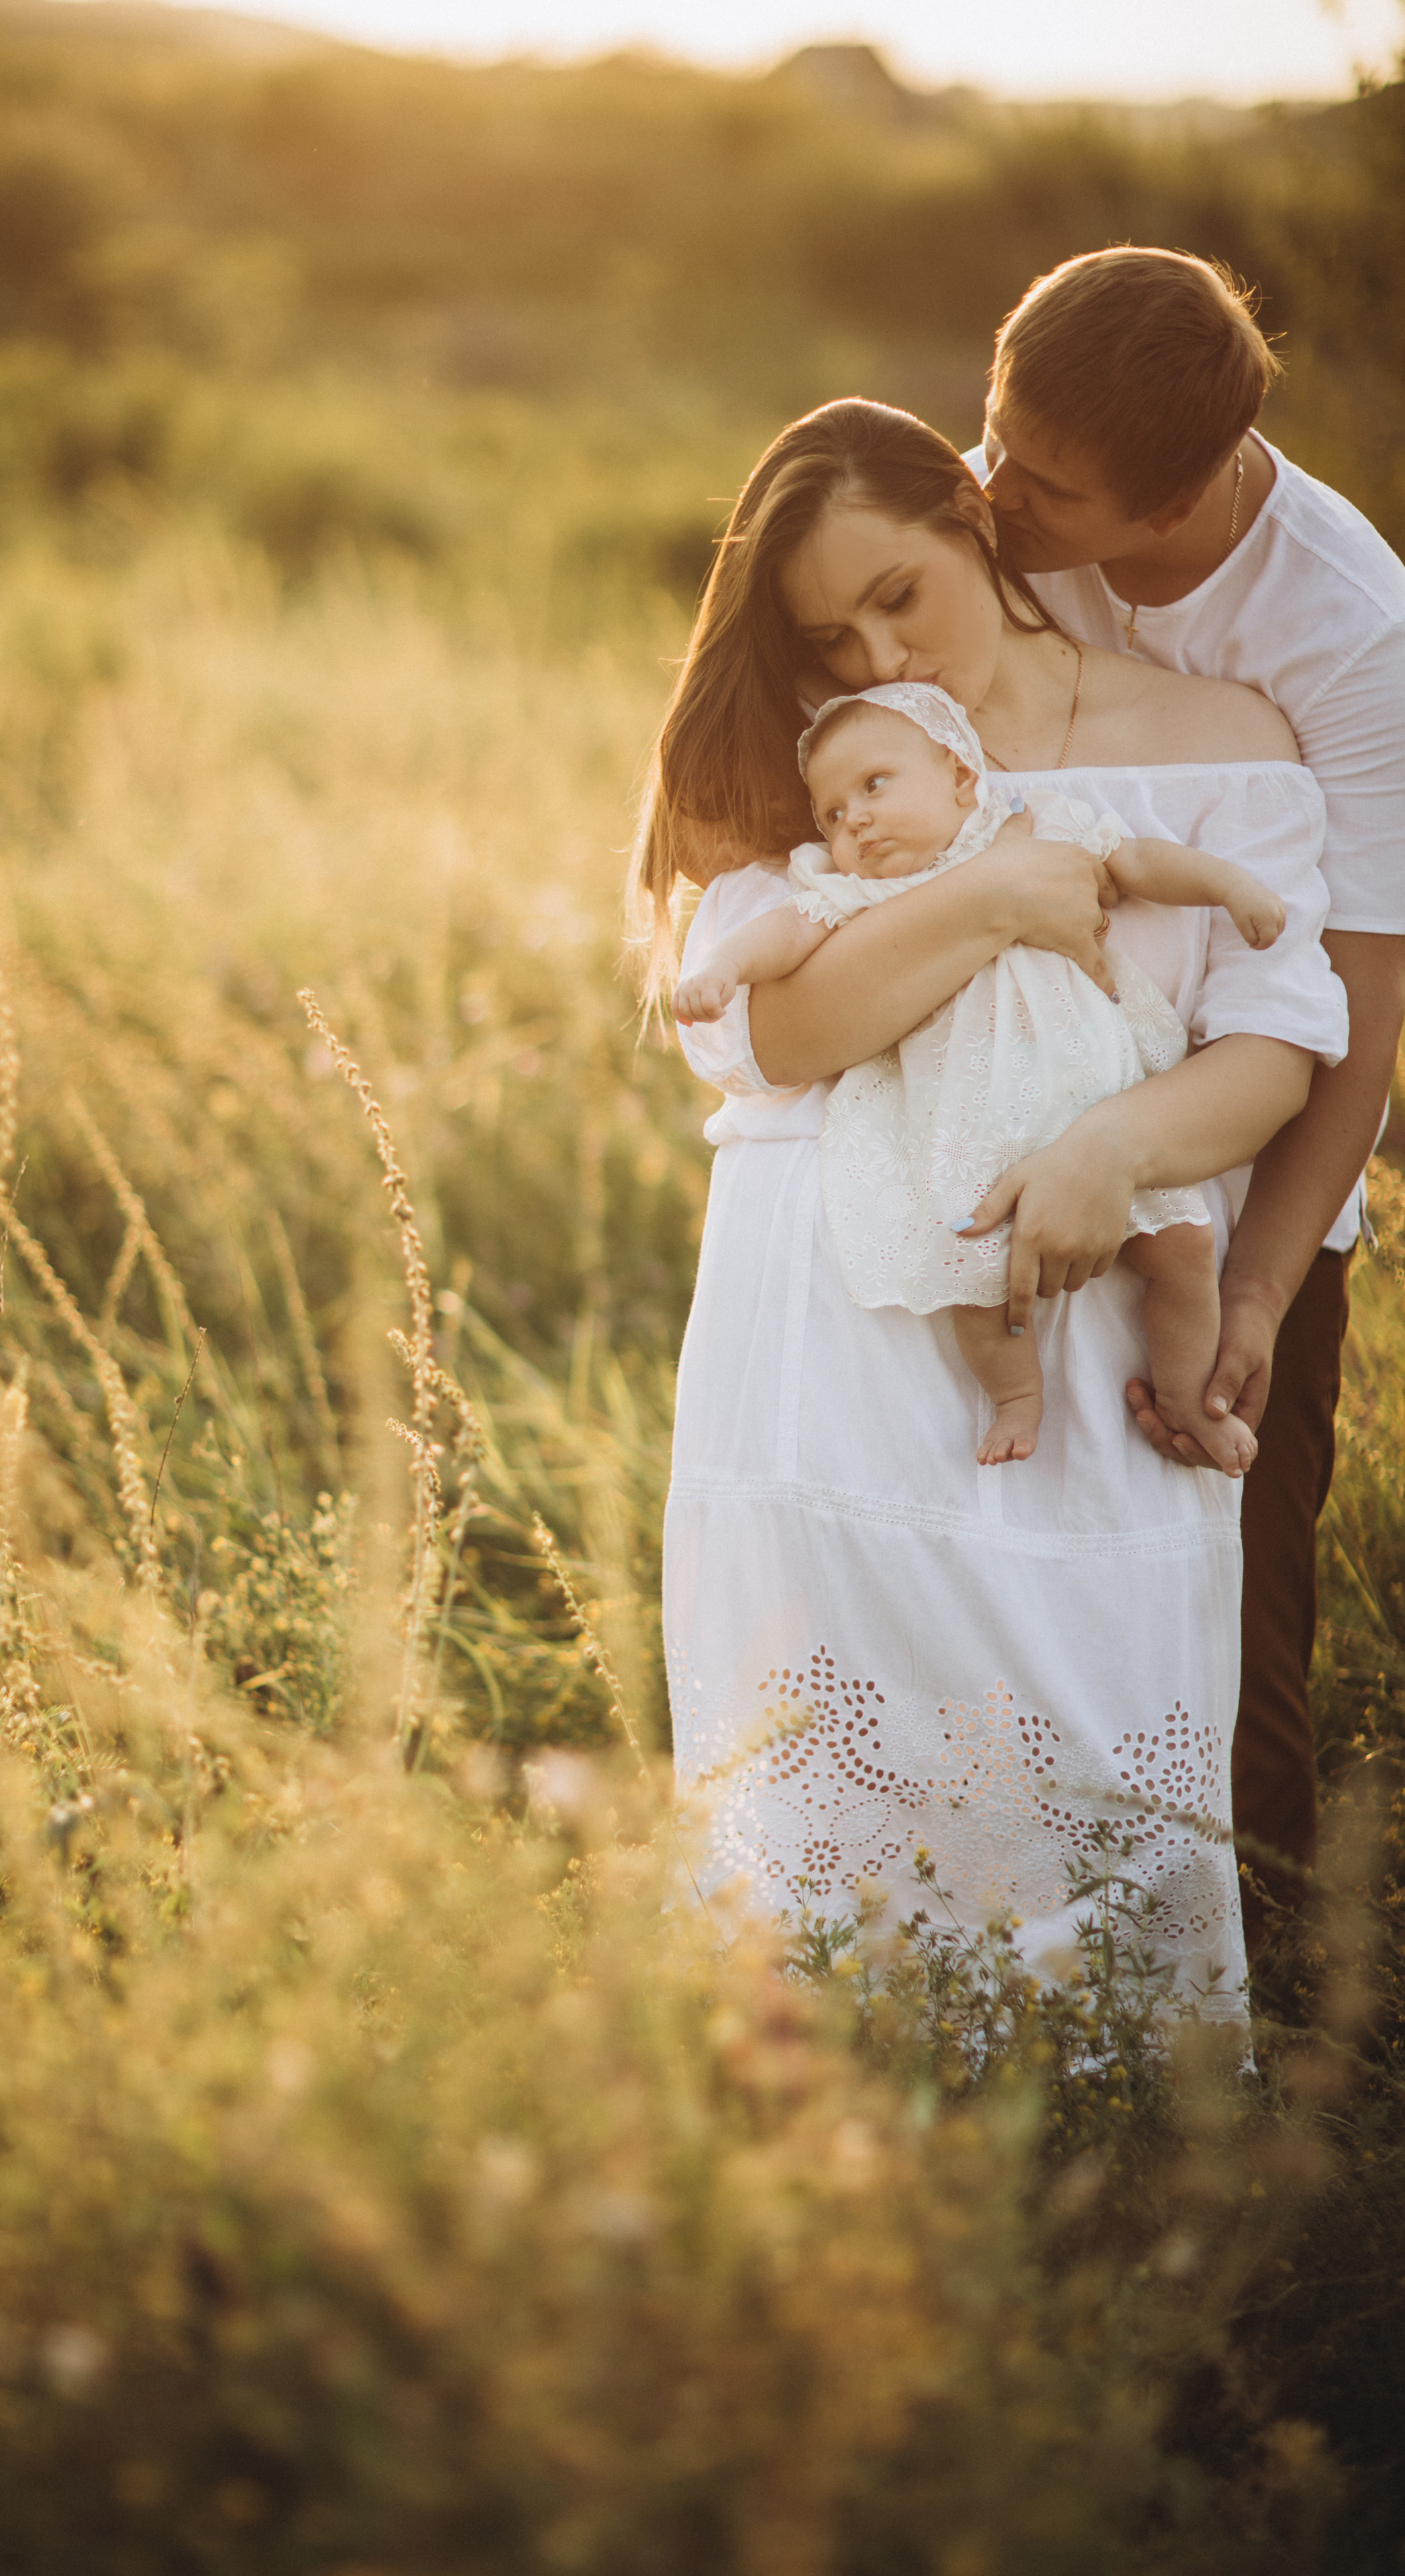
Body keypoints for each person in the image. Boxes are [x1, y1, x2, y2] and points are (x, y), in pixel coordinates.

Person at [631, 398, 1347, 2019]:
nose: (879, 650)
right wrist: (982, 893)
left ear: (968, 516)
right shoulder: (827, 768)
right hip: (841, 1304)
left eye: (899, 592)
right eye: (830, 630)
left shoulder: (1210, 733)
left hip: (1098, 1289)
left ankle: (1116, 2140)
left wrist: (1111, 1145)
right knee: (833, 1760)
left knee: (1093, 1735)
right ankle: (835, 2121)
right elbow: (780, 1032)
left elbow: (1281, 1036)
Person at [970, 249, 1405, 1937]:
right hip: (1024, 1145)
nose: (989, 495)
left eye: (1042, 484)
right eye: (993, 436)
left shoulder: (1347, 627)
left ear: (1177, 498)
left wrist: (1257, 1277)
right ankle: (1005, 1942)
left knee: (1236, 1624)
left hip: (1259, 1166)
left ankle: (1274, 2033)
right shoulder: (996, 509)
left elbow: (1360, 1009)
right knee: (1013, 1574)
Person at [674, 678, 1288, 1471]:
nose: (852, 818)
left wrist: (1229, 887)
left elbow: (1134, 862)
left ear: (961, 778)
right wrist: (722, 969)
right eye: (831, 812)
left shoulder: (1032, 832)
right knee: (974, 1276)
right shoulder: (864, 889)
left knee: (1184, 1249)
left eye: (873, 786)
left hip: (1098, 1097)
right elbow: (786, 933)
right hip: (971, 1117)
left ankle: (1185, 1400)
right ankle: (1014, 1396)